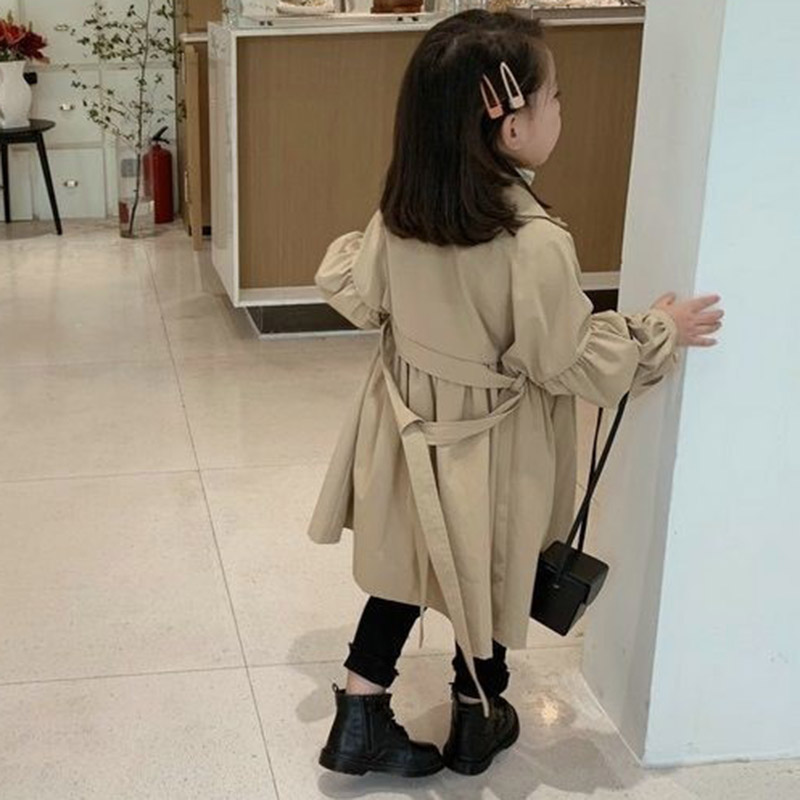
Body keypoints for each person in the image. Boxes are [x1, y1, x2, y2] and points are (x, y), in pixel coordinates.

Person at [307, 9, 723, 779]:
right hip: (494, 445)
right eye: (554, 96)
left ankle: (359, 716)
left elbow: (360, 292)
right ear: (509, 126)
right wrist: (658, 329)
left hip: (409, 429)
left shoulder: (401, 216)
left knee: (412, 562)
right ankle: (478, 714)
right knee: (494, 562)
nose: (561, 110)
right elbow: (568, 359)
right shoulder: (534, 242)